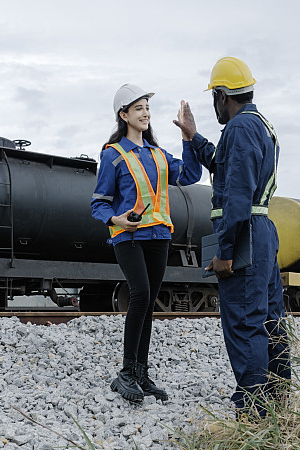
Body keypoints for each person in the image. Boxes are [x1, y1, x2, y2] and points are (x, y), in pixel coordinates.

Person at [173, 57, 291, 416]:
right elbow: (227, 166)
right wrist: (194, 138)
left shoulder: (239, 128)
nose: (215, 105)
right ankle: (277, 400)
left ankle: (253, 410)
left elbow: (237, 195)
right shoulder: (259, 126)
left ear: (222, 96)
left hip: (244, 235)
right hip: (262, 232)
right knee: (270, 321)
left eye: (215, 98)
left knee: (244, 322)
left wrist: (225, 251)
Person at [91, 83, 202, 403]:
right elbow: (98, 203)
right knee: (139, 294)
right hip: (128, 236)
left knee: (149, 300)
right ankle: (126, 373)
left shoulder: (159, 155)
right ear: (123, 115)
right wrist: (116, 220)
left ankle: (141, 373)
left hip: (159, 236)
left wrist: (187, 138)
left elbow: (191, 175)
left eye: (147, 108)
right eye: (138, 108)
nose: (145, 113)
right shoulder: (113, 154)